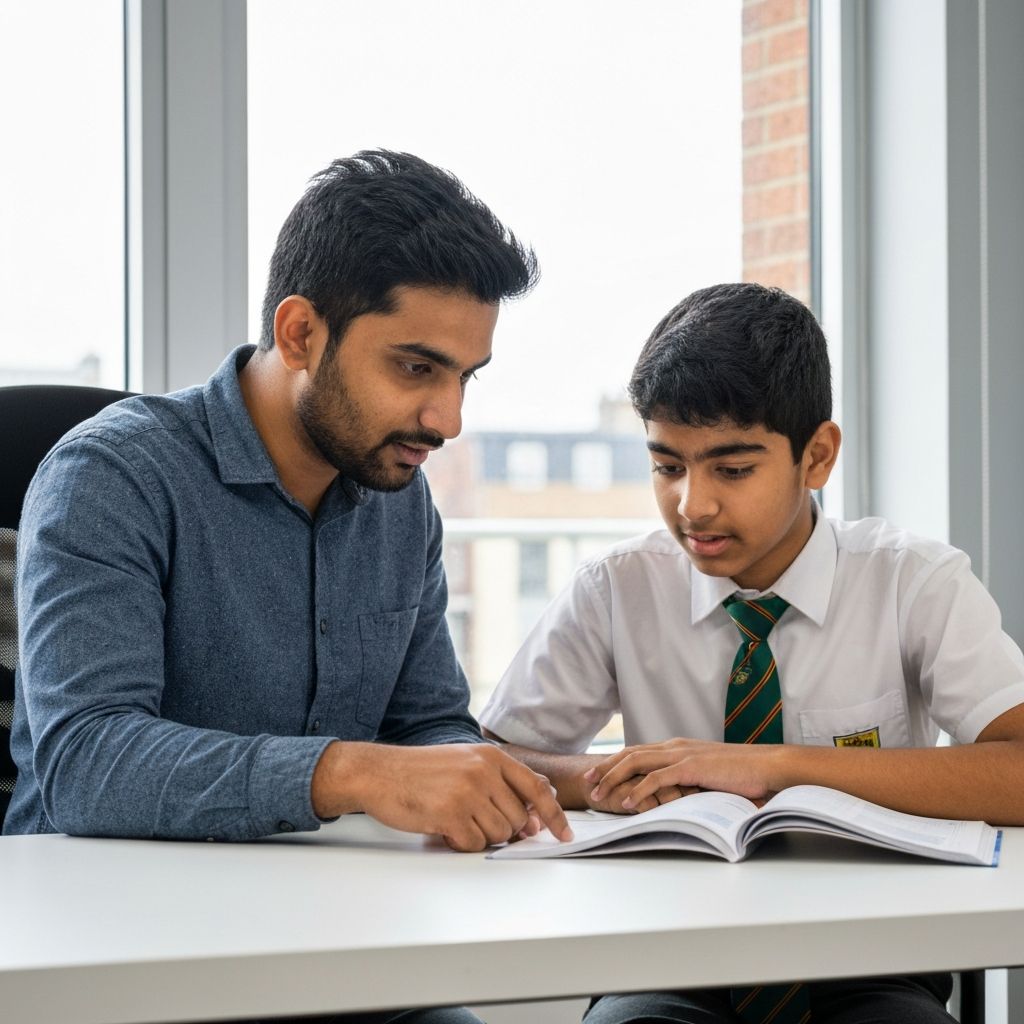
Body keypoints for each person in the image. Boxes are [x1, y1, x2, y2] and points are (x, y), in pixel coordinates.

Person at [480, 282, 1024, 1024]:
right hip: (669, 952)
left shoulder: (914, 581)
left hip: (870, 957)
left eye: (732, 470)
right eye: (667, 466)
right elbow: (492, 760)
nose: (692, 505)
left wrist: (774, 768)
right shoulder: (616, 586)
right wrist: (612, 782)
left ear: (817, 456)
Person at [7, 154, 571, 851]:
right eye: (415, 367)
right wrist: (349, 773)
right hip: (99, 901)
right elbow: (87, 765)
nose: (447, 420)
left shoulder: (398, 497)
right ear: (300, 333)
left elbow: (427, 727)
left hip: (320, 896)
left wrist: (483, 779)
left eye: (465, 378)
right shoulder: (112, 476)